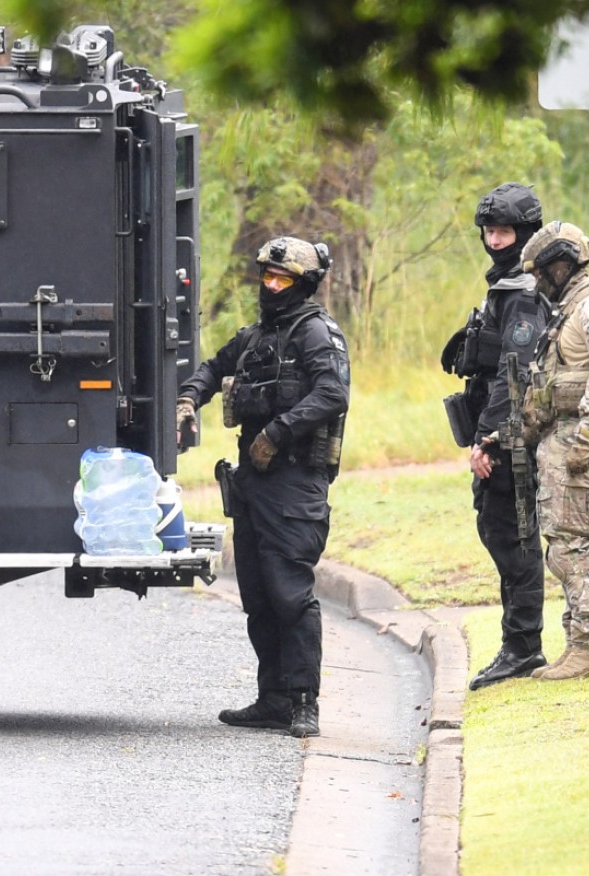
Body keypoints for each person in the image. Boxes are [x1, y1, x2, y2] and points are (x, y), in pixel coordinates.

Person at [176, 236, 350, 738]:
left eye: (282, 280)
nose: (271, 286)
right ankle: (272, 698)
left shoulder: (315, 334)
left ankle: (303, 702)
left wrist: (278, 432)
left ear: (303, 285)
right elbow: (213, 367)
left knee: (289, 593)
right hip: (253, 484)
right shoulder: (256, 337)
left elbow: (332, 393)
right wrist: (190, 397)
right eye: (267, 277)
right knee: (256, 593)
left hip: (295, 483)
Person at [440, 183, 552, 690]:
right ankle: (517, 644)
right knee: (498, 531)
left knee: (515, 537)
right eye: (489, 230)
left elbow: (517, 372)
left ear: (525, 234)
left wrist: (489, 440)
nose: (495, 239)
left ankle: (523, 647)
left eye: (505, 231)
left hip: (513, 440)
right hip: (500, 433)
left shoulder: (524, 295)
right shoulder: (503, 288)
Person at [519, 220, 589, 680]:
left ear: (563, 263)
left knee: (571, 547)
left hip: (580, 442)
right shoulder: (570, 308)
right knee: (562, 545)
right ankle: (579, 641)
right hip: (563, 438)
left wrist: (587, 438)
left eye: (542, 271)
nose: (537, 281)